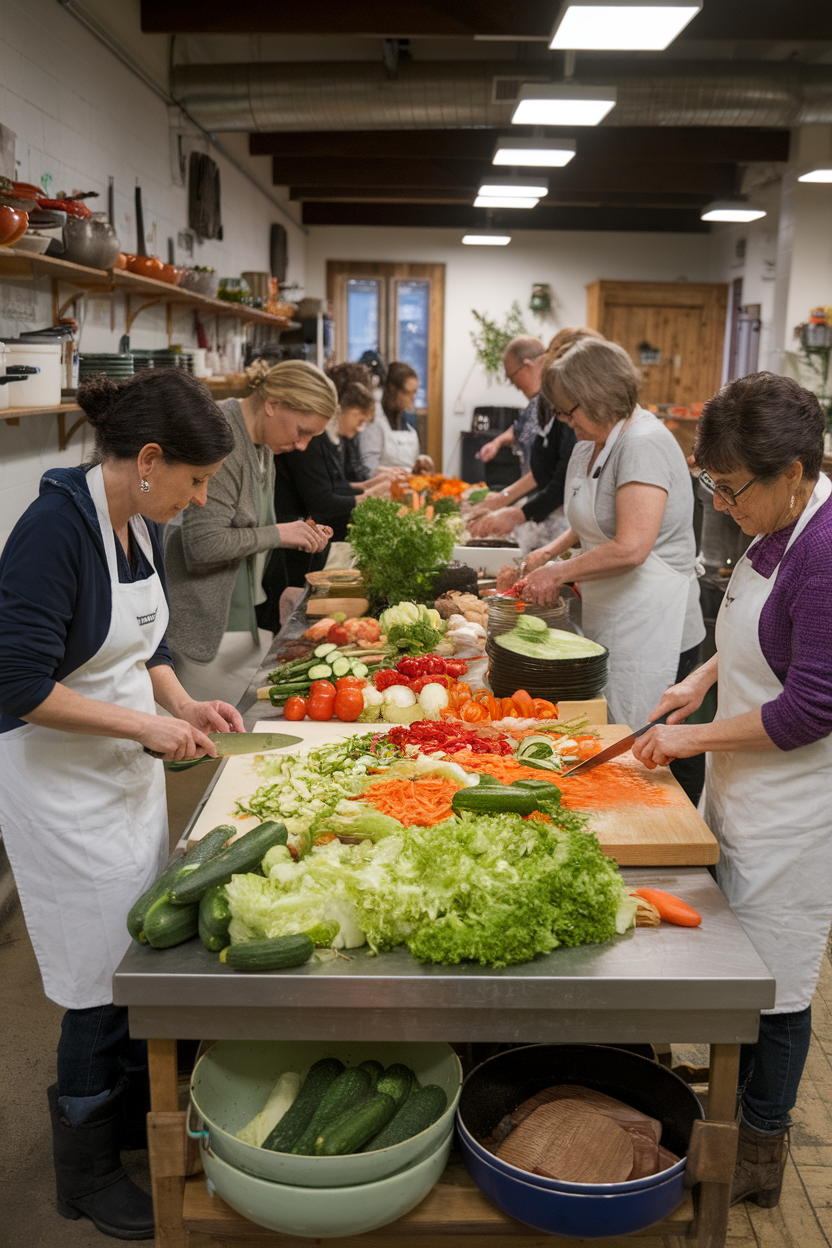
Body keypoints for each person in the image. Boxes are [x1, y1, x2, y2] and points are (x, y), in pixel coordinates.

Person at [0, 369, 243, 1239]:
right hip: (63, 791)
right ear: (148, 460)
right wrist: (142, 730)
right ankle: (85, 1173)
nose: (201, 495)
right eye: (196, 479)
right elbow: (19, 685)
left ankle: (130, 1100)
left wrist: (179, 705)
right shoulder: (52, 531)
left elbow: (149, 644)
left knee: (135, 951)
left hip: (121, 779)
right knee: (93, 983)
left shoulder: (131, 524)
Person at [632, 373, 832, 1208]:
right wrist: (700, 680)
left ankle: (758, 1148)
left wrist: (692, 734)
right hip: (743, 784)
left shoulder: (824, 552)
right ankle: (728, 1094)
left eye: (733, 486)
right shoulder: (771, 525)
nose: (722, 501)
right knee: (736, 960)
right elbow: (753, 636)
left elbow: (814, 706)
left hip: (795, 808)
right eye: (711, 482)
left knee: (781, 985)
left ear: (793, 472)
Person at [516, 338, 705, 801]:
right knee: (621, 737)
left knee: (657, 748)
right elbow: (591, 523)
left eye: (568, 410)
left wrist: (558, 572)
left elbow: (632, 546)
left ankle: (681, 847)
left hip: (658, 622)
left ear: (598, 396)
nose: (564, 420)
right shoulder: (591, 443)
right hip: (617, 612)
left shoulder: (643, 444)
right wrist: (548, 555)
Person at [164, 359, 334, 706]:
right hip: (206, 631)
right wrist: (281, 533)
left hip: (242, 626)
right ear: (273, 404)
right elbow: (203, 543)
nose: (302, 445)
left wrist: (280, 592)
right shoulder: (222, 435)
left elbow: (250, 534)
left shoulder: (261, 445)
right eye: (302, 431)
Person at [468, 332, 602, 557]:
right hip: (553, 517)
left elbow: (561, 479)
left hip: (562, 517)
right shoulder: (546, 405)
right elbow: (544, 469)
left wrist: (514, 509)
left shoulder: (575, 413)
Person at [477, 329, 601, 475]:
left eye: (512, 377)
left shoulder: (554, 404)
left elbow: (546, 470)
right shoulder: (536, 404)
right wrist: (497, 442)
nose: (514, 385)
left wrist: (503, 497)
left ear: (527, 366)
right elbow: (521, 429)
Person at [358, 359, 434, 475]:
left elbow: (408, 460)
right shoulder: (374, 418)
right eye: (408, 393)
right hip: (381, 488)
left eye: (415, 393)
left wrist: (421, 462)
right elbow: (369, 468)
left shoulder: (408, 417)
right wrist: (400, 474)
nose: (412, 399)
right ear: (393, 389)